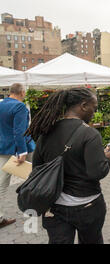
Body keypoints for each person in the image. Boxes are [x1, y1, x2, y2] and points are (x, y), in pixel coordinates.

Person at [26, 87, 110, 244]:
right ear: (83, 106)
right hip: (87, 206)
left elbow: (36, 170)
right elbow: (97, 172)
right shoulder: (90, 134)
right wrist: (107, 159)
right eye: (93, 109)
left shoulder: (46, 132)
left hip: (54, 207)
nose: (93, 113)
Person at [0, 83, 35, 229]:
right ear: (21, 92)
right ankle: (43, 206)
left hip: (3, 147)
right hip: (21, 148)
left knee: (1, 183)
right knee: (38, 175)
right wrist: (22, 151)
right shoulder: (19, 107)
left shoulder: (1, 104)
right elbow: (19, 130)